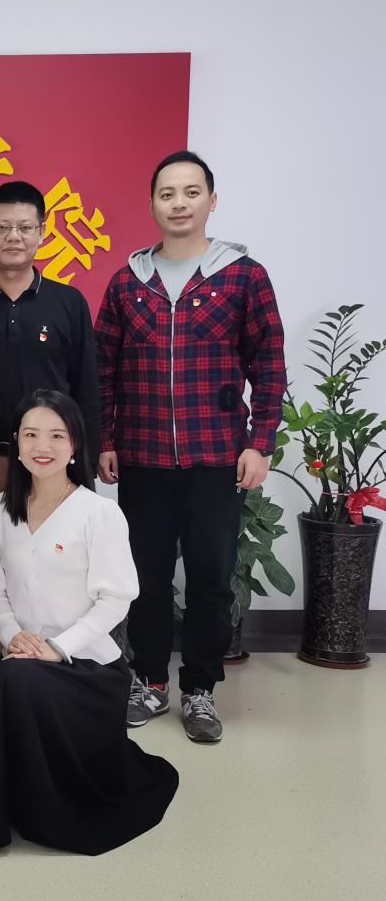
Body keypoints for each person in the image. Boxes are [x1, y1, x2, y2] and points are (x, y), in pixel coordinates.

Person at [95, 151, 286, 743]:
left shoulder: (243, 276)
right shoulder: (128, 282)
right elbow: (103, 370)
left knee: (210, 579)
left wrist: (260, 444)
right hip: (143, 458)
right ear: (152, 203)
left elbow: (269, 365)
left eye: (191, 192)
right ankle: (150, 681)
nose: (179, 203)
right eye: (167, 193)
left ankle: (200, 688)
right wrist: (106, 438)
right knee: (145, 579)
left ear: (211, 200)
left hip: (217, 459)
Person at [0, 390, 178, 855]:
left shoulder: (99, 513)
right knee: (3, 693)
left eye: (57, 436)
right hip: (21, 660)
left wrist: (58, 648)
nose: (43, 446)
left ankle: (28, 811)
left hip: (88, 668)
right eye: (31, 434)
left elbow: (116, 600)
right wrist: (13, 638)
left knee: (10, 686)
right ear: (16, 443)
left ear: (75, 445)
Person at [0, 180, 102, 680]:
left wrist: (85, 464)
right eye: (3, 227)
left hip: (54, 465)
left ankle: (56, 674)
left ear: (41, 232)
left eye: (25, 227)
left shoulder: (68, 303)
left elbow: (86, 388)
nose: (14, 236)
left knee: (61, 573)